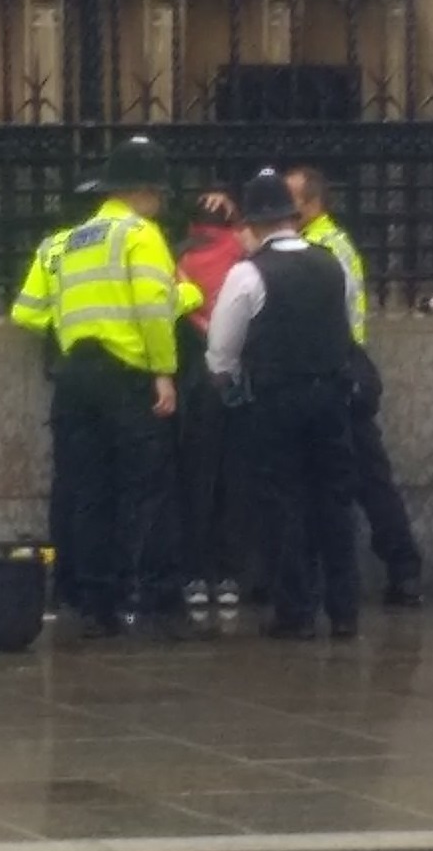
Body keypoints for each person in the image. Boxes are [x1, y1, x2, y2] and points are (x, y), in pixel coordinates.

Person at [49, 137, 202, 640]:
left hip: (74, 376)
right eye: (157, 192)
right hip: (126, 374)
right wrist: (163, 369)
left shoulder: (73, 239)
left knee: (88, 492)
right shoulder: (140, 234)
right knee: (148, 488)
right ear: (142, 192)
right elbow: (154, 308)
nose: (160, 201)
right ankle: (155, 593)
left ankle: (95, 603)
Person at [206, 169, 359, 640]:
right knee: (334, 501)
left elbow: (221, 350)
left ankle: (294, 610)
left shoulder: (248, 273)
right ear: (293, 219)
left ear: (253, 223)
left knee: (283, 503)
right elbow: (349, 323)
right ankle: (345, 610)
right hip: (332, 395)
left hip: (275, 400)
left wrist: (229, 385)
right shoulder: (335, 263)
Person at [284, 167, 424, 607]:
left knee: (367, 478)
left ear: (312, 203)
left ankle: (403, 569)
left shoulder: (326, 247)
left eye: (290, 200)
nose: (283, 209)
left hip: (338, 369)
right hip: (334, 368)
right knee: (349, 479)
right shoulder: (324, 243)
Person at [12, 179, 104, 613]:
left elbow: (27, 313)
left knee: (68, 485)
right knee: (106, 490)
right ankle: (101, 587)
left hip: (66, 376)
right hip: (116, 372)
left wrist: (60, 322)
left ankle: (65, 582)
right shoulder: (115, 241)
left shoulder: (52, 248)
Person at [174, 200, 249, 610]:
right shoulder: (242, 255)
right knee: (233, 481)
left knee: (196, 483)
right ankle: (230, 575)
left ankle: (194, 576)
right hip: (237, 382)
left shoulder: (178, 256)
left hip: (194, 383)